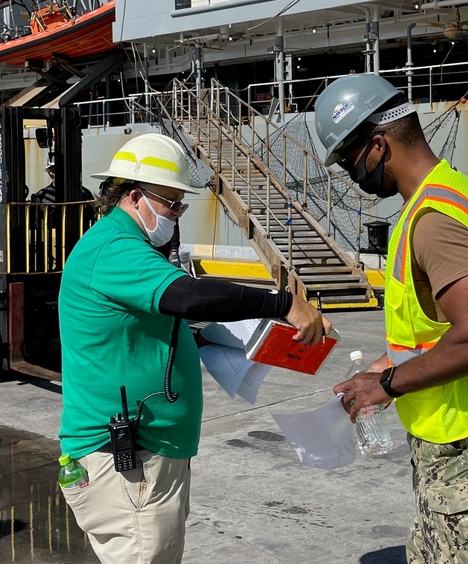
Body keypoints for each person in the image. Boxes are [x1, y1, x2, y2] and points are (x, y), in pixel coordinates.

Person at [58, 132, 331, 564]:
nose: (177, 214)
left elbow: (150, 320)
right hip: (129, 460)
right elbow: (188, 296)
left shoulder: (127, 247)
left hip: (149, 454)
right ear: (134, 197)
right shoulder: (114, 248)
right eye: (172, 203)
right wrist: (283, 303)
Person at [314, 74, 468, 564]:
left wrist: (389, 384)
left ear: (377, 145)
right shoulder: (450, 191)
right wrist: (379, 367)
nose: (352, 176)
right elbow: (437, 326)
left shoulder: (434, 219)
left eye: (349, 162)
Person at [31, 154, 96, 204]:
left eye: (55, 171)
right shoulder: (42, 196)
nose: (51, 174)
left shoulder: (84, 194)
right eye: (50, 171)